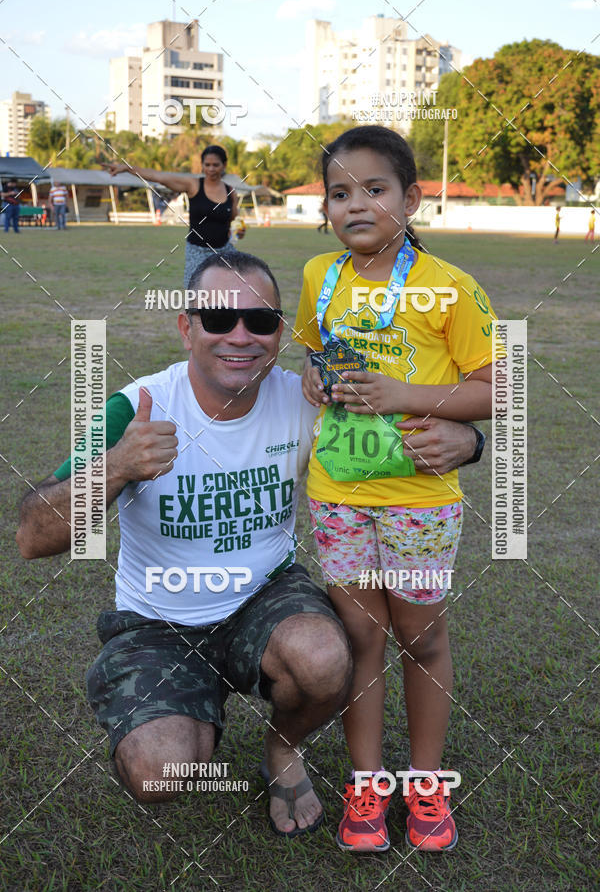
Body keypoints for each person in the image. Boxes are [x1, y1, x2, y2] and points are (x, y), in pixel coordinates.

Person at [16, 249, 482, 837]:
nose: (241, 335)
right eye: (217, 319)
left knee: (325, 658)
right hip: (158, 620)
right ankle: (192, 709)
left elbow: (401, 430)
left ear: (280, 333)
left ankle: (282, 749)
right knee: (159, 772)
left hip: (265, 599)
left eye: (260, 321)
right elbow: (32, 537)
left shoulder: (307, 399)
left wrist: (468, 440)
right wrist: (117, 466)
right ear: (186, 328)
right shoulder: (136, 408)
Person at [294, 125, 496, 854]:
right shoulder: (322, 275)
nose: (355, 206)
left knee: (422, 636)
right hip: (339, 492)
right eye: (339, 193)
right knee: (361, 638)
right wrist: (316, 376)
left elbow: (495, 386)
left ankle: (427, 781)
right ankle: (368, 784)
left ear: (410, 199)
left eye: (374, 190)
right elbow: (313, 354)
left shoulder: (450, 285)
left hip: (418, 497)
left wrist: (407, 393)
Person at [107, 145, 239, 287]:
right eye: (207, 165)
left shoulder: (230, 191)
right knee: (195, 297)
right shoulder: (193, 185)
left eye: (216, 165)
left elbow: (231, 220)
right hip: (198, 252)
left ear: (224, 165)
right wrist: (127, 168)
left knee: (230, 294)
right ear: (202, 166)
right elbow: (158, 177)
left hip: (224, 251)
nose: (211, 169)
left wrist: (239, 232)